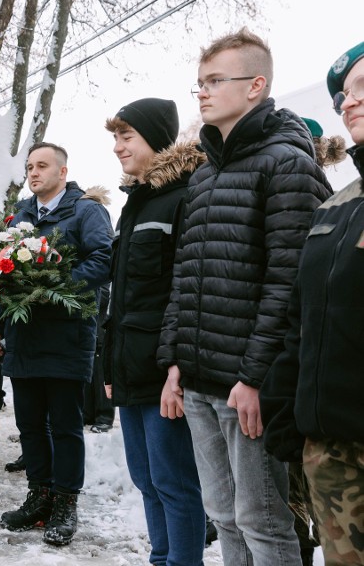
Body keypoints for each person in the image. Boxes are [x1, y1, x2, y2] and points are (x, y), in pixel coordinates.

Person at [156, 29, 333, 565]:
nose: (204, 93)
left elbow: (288, 283)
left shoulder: (287, 164)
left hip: (245, 386)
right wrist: (173, 363)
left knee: (264, 521)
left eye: (215, 81)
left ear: (255, 86)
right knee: (225, 514)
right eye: (199, 84)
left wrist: (256, 378)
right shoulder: (206, 175)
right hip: (201, 379)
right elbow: (185, 276)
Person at [261, 41, 364, 565]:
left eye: (363, 87)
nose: (348, 102)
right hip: (332, 455)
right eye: (344, 95)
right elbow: (302, 321)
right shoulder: (338, 208)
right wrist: (286, 407)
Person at [0, 142, 113, 546]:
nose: (34, 173)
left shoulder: (85, 211)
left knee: (64, 426)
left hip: (66, 335)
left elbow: (103, 259)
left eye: (42, 165)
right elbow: (0, 274)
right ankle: (38, 496)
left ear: (62, 170)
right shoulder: (21, 216)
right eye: (29, 167)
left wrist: (55, 285)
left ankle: (65, 504)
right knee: (28, 425)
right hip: (23, 337)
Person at [102, 98, 206, 565]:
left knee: (175, 483)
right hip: (131, 369)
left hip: (165, 372)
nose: (119, 148)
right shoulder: (134, 205)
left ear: (156, 139)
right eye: (116, 138)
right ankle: (161, 558)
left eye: (127, 137)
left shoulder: (185, 195)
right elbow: (121, 300)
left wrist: (176, 368)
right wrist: (109, 364)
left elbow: (188, 292)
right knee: (147, 481)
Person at [85, 284, 113, 433]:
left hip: (100, 330)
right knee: (88, 377)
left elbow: (103, 296)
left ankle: (104, 417)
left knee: (100, 376)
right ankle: (87, 413)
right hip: (89, 332)